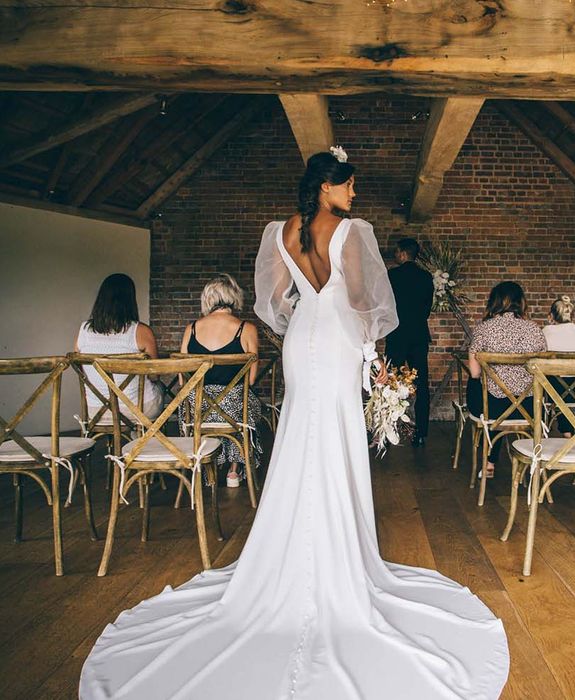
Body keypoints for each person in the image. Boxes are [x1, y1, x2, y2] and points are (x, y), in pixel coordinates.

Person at [80, 148, 509, 700]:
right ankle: (339, 559)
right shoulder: (350, 230)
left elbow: (273, 300)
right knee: (334, 434)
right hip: (334, 337)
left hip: (302, 338)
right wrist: (364, 335)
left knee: (299, 434)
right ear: (331, 186)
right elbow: (359, 298)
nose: (354, 195)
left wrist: (306, 299)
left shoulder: (283, 230)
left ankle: (285, 556)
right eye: (349, 186)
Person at [179, 274, 262, 488]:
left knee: (190, 403)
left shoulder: (192, 329)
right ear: (235, 297)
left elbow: (182, 378)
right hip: (234, 407)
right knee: (246, 402)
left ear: (207, 299)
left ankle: (207, 467)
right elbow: (251, 380)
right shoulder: (247, 329)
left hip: (198, 407)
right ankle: (233, 471)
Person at [467, 281, 546, 479]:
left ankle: (489, 462)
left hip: (492, 408)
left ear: (494, 302)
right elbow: (543, 371)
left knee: (483, 384)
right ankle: (531, 461)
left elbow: (475, 373)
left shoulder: (483, 329)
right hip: (529, 408)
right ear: (521, 303)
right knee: (508, 392)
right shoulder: (535, 330)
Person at [74, 273, 163, 420]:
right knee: (159, 388)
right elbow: (154, 375)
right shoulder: (140, 331)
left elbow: (82, 369)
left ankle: (119, 440)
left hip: (96, 410)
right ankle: (142, 438)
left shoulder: (83, 330)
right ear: (130, 300)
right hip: (137, 410)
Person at [386, 237, 434, 446]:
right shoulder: (426, 277)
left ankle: (387, 429)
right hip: (418, 335)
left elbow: (385, 305)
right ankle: (421, 433)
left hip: (397, 334)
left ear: (403, 253)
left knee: (391, 382)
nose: (395, 256)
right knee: (421, 384)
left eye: (396, 252)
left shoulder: (392, 276)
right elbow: (427, 308)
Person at [543, 295, 575, 436]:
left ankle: (563, 431)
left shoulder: (545, 334)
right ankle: (568, 431)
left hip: (553, 393)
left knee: (552, 382)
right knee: (566, 385)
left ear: (551, 316)